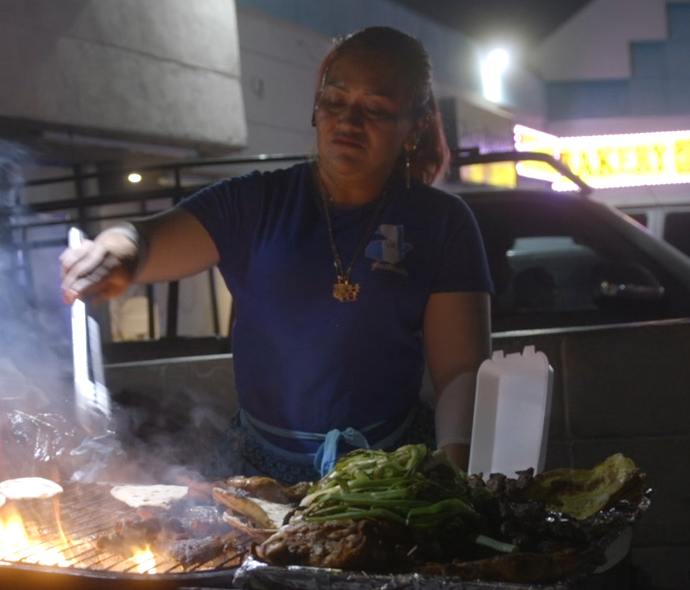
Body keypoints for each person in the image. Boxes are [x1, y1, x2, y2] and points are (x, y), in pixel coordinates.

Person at [61, 26, 493, 483]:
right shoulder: (257, 202)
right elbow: (144, 239)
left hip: (391, 469)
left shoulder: (441, 222)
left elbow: (462, 371)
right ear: (315, 107)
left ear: (415, 125)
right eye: (335, 100)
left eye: (377, 109)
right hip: (259, 470)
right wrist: (113, 251)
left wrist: (455, 469)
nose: (349, 121)